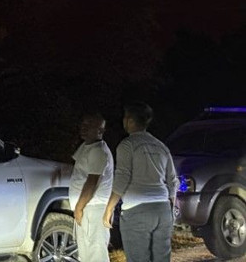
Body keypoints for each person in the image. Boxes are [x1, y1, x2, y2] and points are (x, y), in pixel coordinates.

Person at [102, 102, 177, 262]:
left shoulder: (127, 145)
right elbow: (172, 181)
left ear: (129, 120)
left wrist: (109, 208)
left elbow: (123, 177)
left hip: (137, 211)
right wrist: (170, 206)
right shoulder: (161, 146)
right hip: (162, 210)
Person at [69, 112, 114, 262]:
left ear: (100, 131)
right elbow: (77, 169)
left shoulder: (98, 151)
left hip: (93, 208)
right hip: (87, 208)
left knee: (96, 254)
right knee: (86, 254)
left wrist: (79, 208)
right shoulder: (87, 146)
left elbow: (92, 182)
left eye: (89, 126)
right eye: (83, 124)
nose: (83, 128)